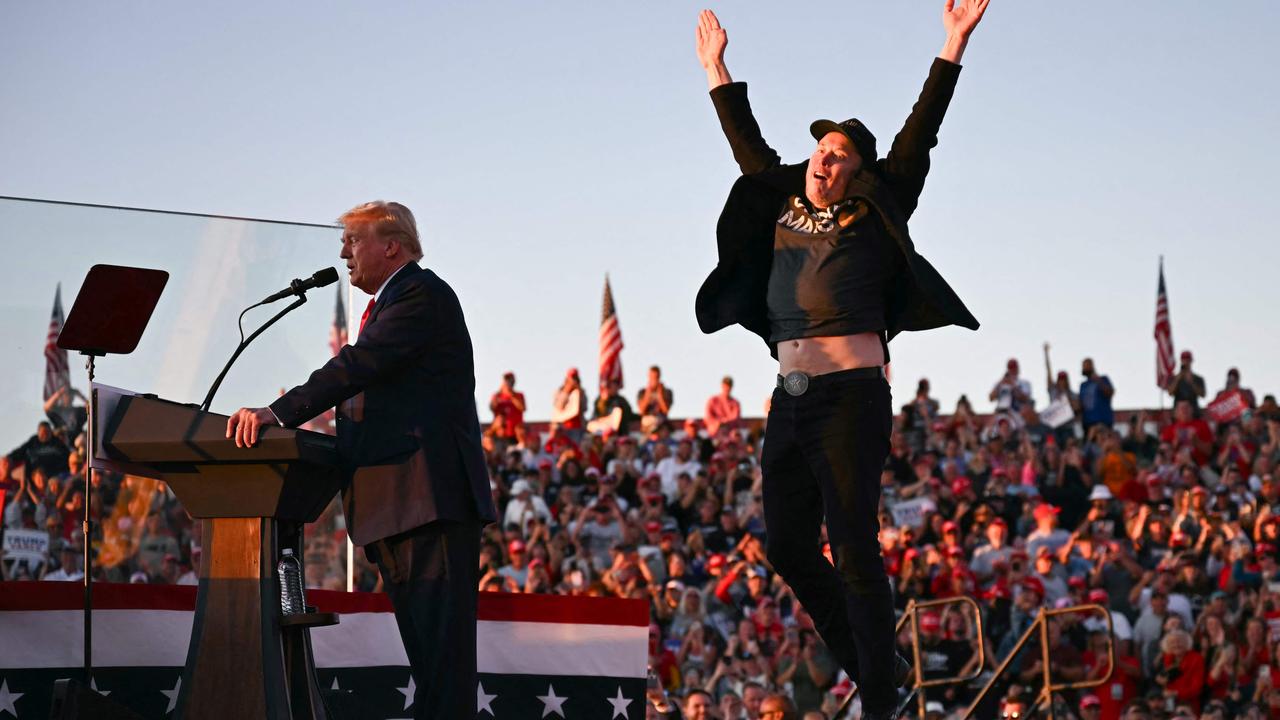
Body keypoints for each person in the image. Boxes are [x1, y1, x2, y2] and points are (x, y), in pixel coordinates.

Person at [692, 3, 989, 718]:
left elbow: (922, 133)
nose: (824, 159)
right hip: (789, 396)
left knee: (854, 546)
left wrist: (951, 43)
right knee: (788, 547)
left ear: (858, 172)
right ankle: (873, 670)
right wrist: (716, 71)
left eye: (839, 155)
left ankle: (882, 704)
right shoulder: (784, 199)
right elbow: (749, 147)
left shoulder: (876, 206)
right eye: (820, 149)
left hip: (852, 394)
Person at [226, 200, 497, 719]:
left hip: (427, 504)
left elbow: (360, 364)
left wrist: (279, 413)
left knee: (443, 667)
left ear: (391, 245)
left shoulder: (420, 293)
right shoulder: (398, 300)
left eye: (353, 240)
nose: (344, 252)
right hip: (399, 507)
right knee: (431, 666)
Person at [1079, 357, 1115, 433]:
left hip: (1103, 421)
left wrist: (1099, 381)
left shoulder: (1103, 379)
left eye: (1086, 365)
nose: (1083, 368)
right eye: (1083, 366)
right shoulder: (1083, 385)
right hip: (1088, 423)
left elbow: (1110, 392)